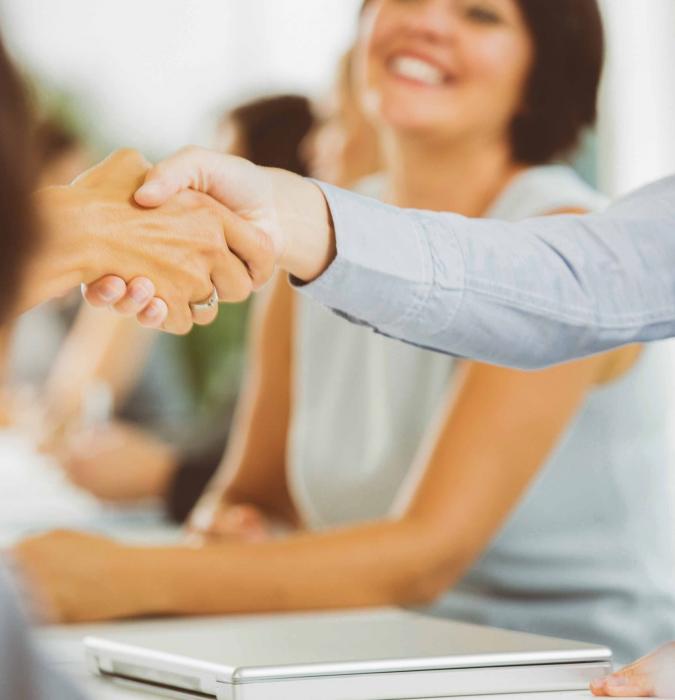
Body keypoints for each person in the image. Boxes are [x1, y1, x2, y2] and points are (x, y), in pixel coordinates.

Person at [17, 0, 674, 669]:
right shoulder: (314, 236)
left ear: (545, 72)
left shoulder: (555, 254)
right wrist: (231, 525)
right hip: (352, 650)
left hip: (567, 668)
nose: (428, 22)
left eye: (481, 15)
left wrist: (114, 576)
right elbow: (250, 496)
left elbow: (423, 559)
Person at [50, 94, 316, 522]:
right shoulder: (273, 305)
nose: (187, 199)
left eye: (214, 177)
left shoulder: (309, 301)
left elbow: (268, 484)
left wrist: (164, 474)